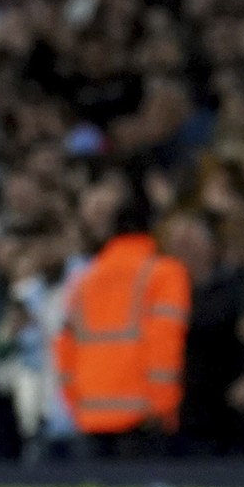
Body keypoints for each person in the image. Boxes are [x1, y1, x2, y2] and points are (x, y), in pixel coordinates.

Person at [53, 190, 191, 458]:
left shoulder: (86, 279)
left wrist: (75, 402)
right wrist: (163, 406)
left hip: (91, 412)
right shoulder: (165, 273)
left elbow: (65, 346)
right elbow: (164, 341)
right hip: (143, 415)